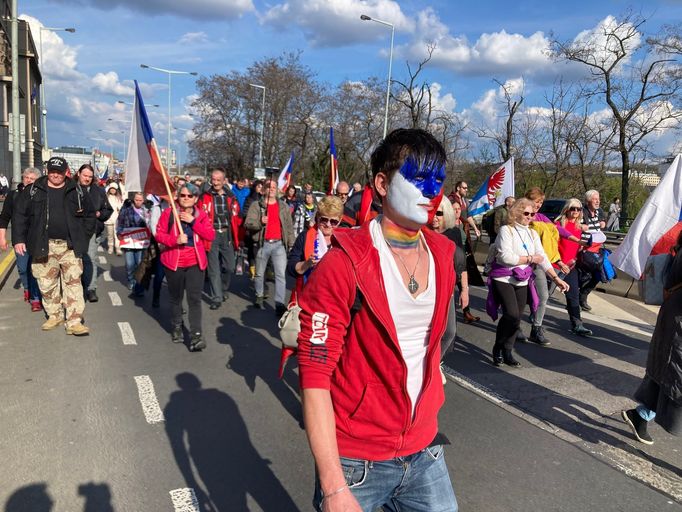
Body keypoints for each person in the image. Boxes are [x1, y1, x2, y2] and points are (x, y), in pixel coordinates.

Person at [297, 128, 459, 512]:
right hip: (358, 463)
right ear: (382, 184)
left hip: (425, 452)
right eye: (418, 178)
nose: (431, 190)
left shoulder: (444, 255)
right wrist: (334, 486)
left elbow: (435, 344)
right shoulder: (343, 263)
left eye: (438, 179)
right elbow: (315, 375)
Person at [486, 198, 569, 367]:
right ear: (516, 212)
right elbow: (506, 257)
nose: (530, 217)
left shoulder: (531, 233)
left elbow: (543, 257)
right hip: (503, 277)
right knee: (511, 314)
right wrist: (530, 258)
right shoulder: (506, 230)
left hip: (522, 278)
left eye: (533, 214)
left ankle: (507, 350)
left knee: (516, 320)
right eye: (526, 213)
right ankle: (498, 347)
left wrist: (556, 278)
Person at [13, 156, 91, 335]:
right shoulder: (34, 190)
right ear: (47, 171)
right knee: (46, 284)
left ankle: (74, 321)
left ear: (66, 173)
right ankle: (54, 315)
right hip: (43, 245)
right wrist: (18, 239)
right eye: (52, 172)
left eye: (59, 172)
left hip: (69, 247)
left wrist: (83, 237)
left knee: (73, 282)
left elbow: (90, 217)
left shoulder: (77, 190)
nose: (56, 175)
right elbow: (19, 215)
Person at [622, 230, 682, 445]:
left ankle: (641, 415)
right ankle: (642, 414)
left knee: (669, 373)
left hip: (674, 320)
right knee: (672, 372)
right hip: (677, 324)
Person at [155, 183, 215, 351]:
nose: (186, 199)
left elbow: (210, 235)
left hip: (195, 262)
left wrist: (194, 222)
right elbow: (159, 234)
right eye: (183, 196)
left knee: (194, 299)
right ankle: (176, 326)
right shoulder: (169, 213)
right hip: (174, 262)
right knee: (176, 298)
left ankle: (196, 335)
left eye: (190, 196)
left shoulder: (201, 215)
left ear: (196, 198)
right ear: (178, 197)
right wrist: (175, 240)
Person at [245, 179, 294, 315]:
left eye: (274, 187)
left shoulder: (283, 206)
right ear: (264, 190)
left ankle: (279, 304)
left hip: (279, 245)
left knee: (280, 276)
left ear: (277, 189)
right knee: (260, 274)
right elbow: (248, 223)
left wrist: (291, 244)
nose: (271, 189)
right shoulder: (256, 205)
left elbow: (289, 226)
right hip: (262, 244)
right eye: (268, 187)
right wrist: (260, 222)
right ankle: (259, 296)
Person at [198, 169, 241, 310]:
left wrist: (238, 237)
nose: (215, 183)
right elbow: (199, 215)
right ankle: (216, 297)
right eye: (213, 179)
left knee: (230, 267)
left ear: (224, 181)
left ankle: (223, 289)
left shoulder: (231, 197)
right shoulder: (204, 197)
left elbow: (237, 218)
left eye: (218, 180)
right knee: (213, 268)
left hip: (227, 234)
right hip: (211, 235)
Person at [0, 167, 42, 311]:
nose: (29, 181)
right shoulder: (13, 195)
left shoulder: (41, 195)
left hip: (37, 238)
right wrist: (2, 238)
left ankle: (35, 298)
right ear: (23, 178)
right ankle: (27, 287)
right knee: (23, 268)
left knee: (35, 269)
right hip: (20, 239)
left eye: (32, 179)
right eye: (26, 178)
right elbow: (4, 218)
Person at [554, 199, 593, 336]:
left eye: (578, 209)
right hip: (555, 265)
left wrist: (579, 254)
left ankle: (577, 324)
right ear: (567, 209)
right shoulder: (558, 225)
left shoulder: (579, 227)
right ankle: (535, 321)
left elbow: (577, 248)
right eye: (573, 209)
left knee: (573, 295)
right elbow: (551, 247)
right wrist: (559, 262)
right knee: (542, 296)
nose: (576, 211)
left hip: (571, 266)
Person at [287, 195, 343, 289]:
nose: (328, 225)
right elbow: (291, 268)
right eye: (324, 219)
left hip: (333, 294)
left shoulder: (344, 241)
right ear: (317, 217)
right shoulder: (304, 236)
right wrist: (307, 264)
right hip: (308, 292)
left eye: (333, 221)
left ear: (340, 220)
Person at [437, 199, 478, 324]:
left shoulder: (455, 230)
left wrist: (465, 290)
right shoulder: (421, 231)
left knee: (449, 331)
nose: (434, 216)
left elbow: (461, 263)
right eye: (431, 212)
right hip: (429, 287)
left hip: (451, 278)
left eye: (439, 213)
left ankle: (466, 311)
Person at [77, 164, 113, 303]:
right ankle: (76, 286)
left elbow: (108, 210)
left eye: (90, 177)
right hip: (74, 230)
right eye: (85, 175)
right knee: (75, 260)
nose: (87, 179)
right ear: (79, 174)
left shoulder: (98, 191)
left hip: (92, 230)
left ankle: (91, 288)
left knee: (90, 258)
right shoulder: (71, 189)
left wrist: (100, 214)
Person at [117, 192, 150, 296]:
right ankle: (131, 280)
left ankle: (139, 284)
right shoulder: (126, 210)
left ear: (143, 200)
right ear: (133, 200)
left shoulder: (147, 211)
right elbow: (120, 222)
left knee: (140, 263)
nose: (138, 202)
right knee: (130, 264)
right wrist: (119, 233)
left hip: (141, 241)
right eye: (136, 200)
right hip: (129, 241)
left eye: (140, 200)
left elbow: (151, 225)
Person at [579, 189, 606, 311]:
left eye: (598, 199)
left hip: (596, 250)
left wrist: (603, 222)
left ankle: (582, 295)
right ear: (588, 200)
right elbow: (573, 224)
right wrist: (580, 226)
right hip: (584, 250)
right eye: (595, 199)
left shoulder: (598, 212)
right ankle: (575, 297)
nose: (598, 201)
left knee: (598, 276)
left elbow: (603, 220)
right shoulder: (582, 213)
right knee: (584, 276)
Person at [242, 179, 263, 279]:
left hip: (262, 229)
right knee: (252, 249)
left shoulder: (264, 199)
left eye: (262, 187)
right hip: (251, 229)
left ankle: (261, 270)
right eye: (258, 186)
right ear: (254, 187)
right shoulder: (250, 199)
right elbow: (245, 213)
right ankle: (252, 266)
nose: (260, 188)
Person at [104, 183, 123, 255]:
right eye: (111, 188)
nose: (112, 190)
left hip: (117, 218)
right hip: (109, 218)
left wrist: (120, 208)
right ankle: (110, 247)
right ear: (109, 189)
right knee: (110, 234)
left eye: (114, 189)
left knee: (117, 234)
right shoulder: (106, 197)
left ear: (116, 190)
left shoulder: (119, 197)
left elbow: (121, 207)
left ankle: (118, 248)